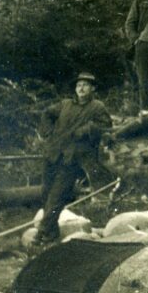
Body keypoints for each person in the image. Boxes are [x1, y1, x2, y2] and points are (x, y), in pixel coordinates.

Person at [35, 73, 112, 246]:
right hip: (53, 154)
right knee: (46, 193)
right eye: (79, 85)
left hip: (74, 159)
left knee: (57, 196)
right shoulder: (65, 104)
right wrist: (48, 132)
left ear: (93, 88)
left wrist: (88, 129)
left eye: (85, 85)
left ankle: (41, 234)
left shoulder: (97, 107)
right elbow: (46, 113)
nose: (81, 88)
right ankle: (51, 234)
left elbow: (107, 126)